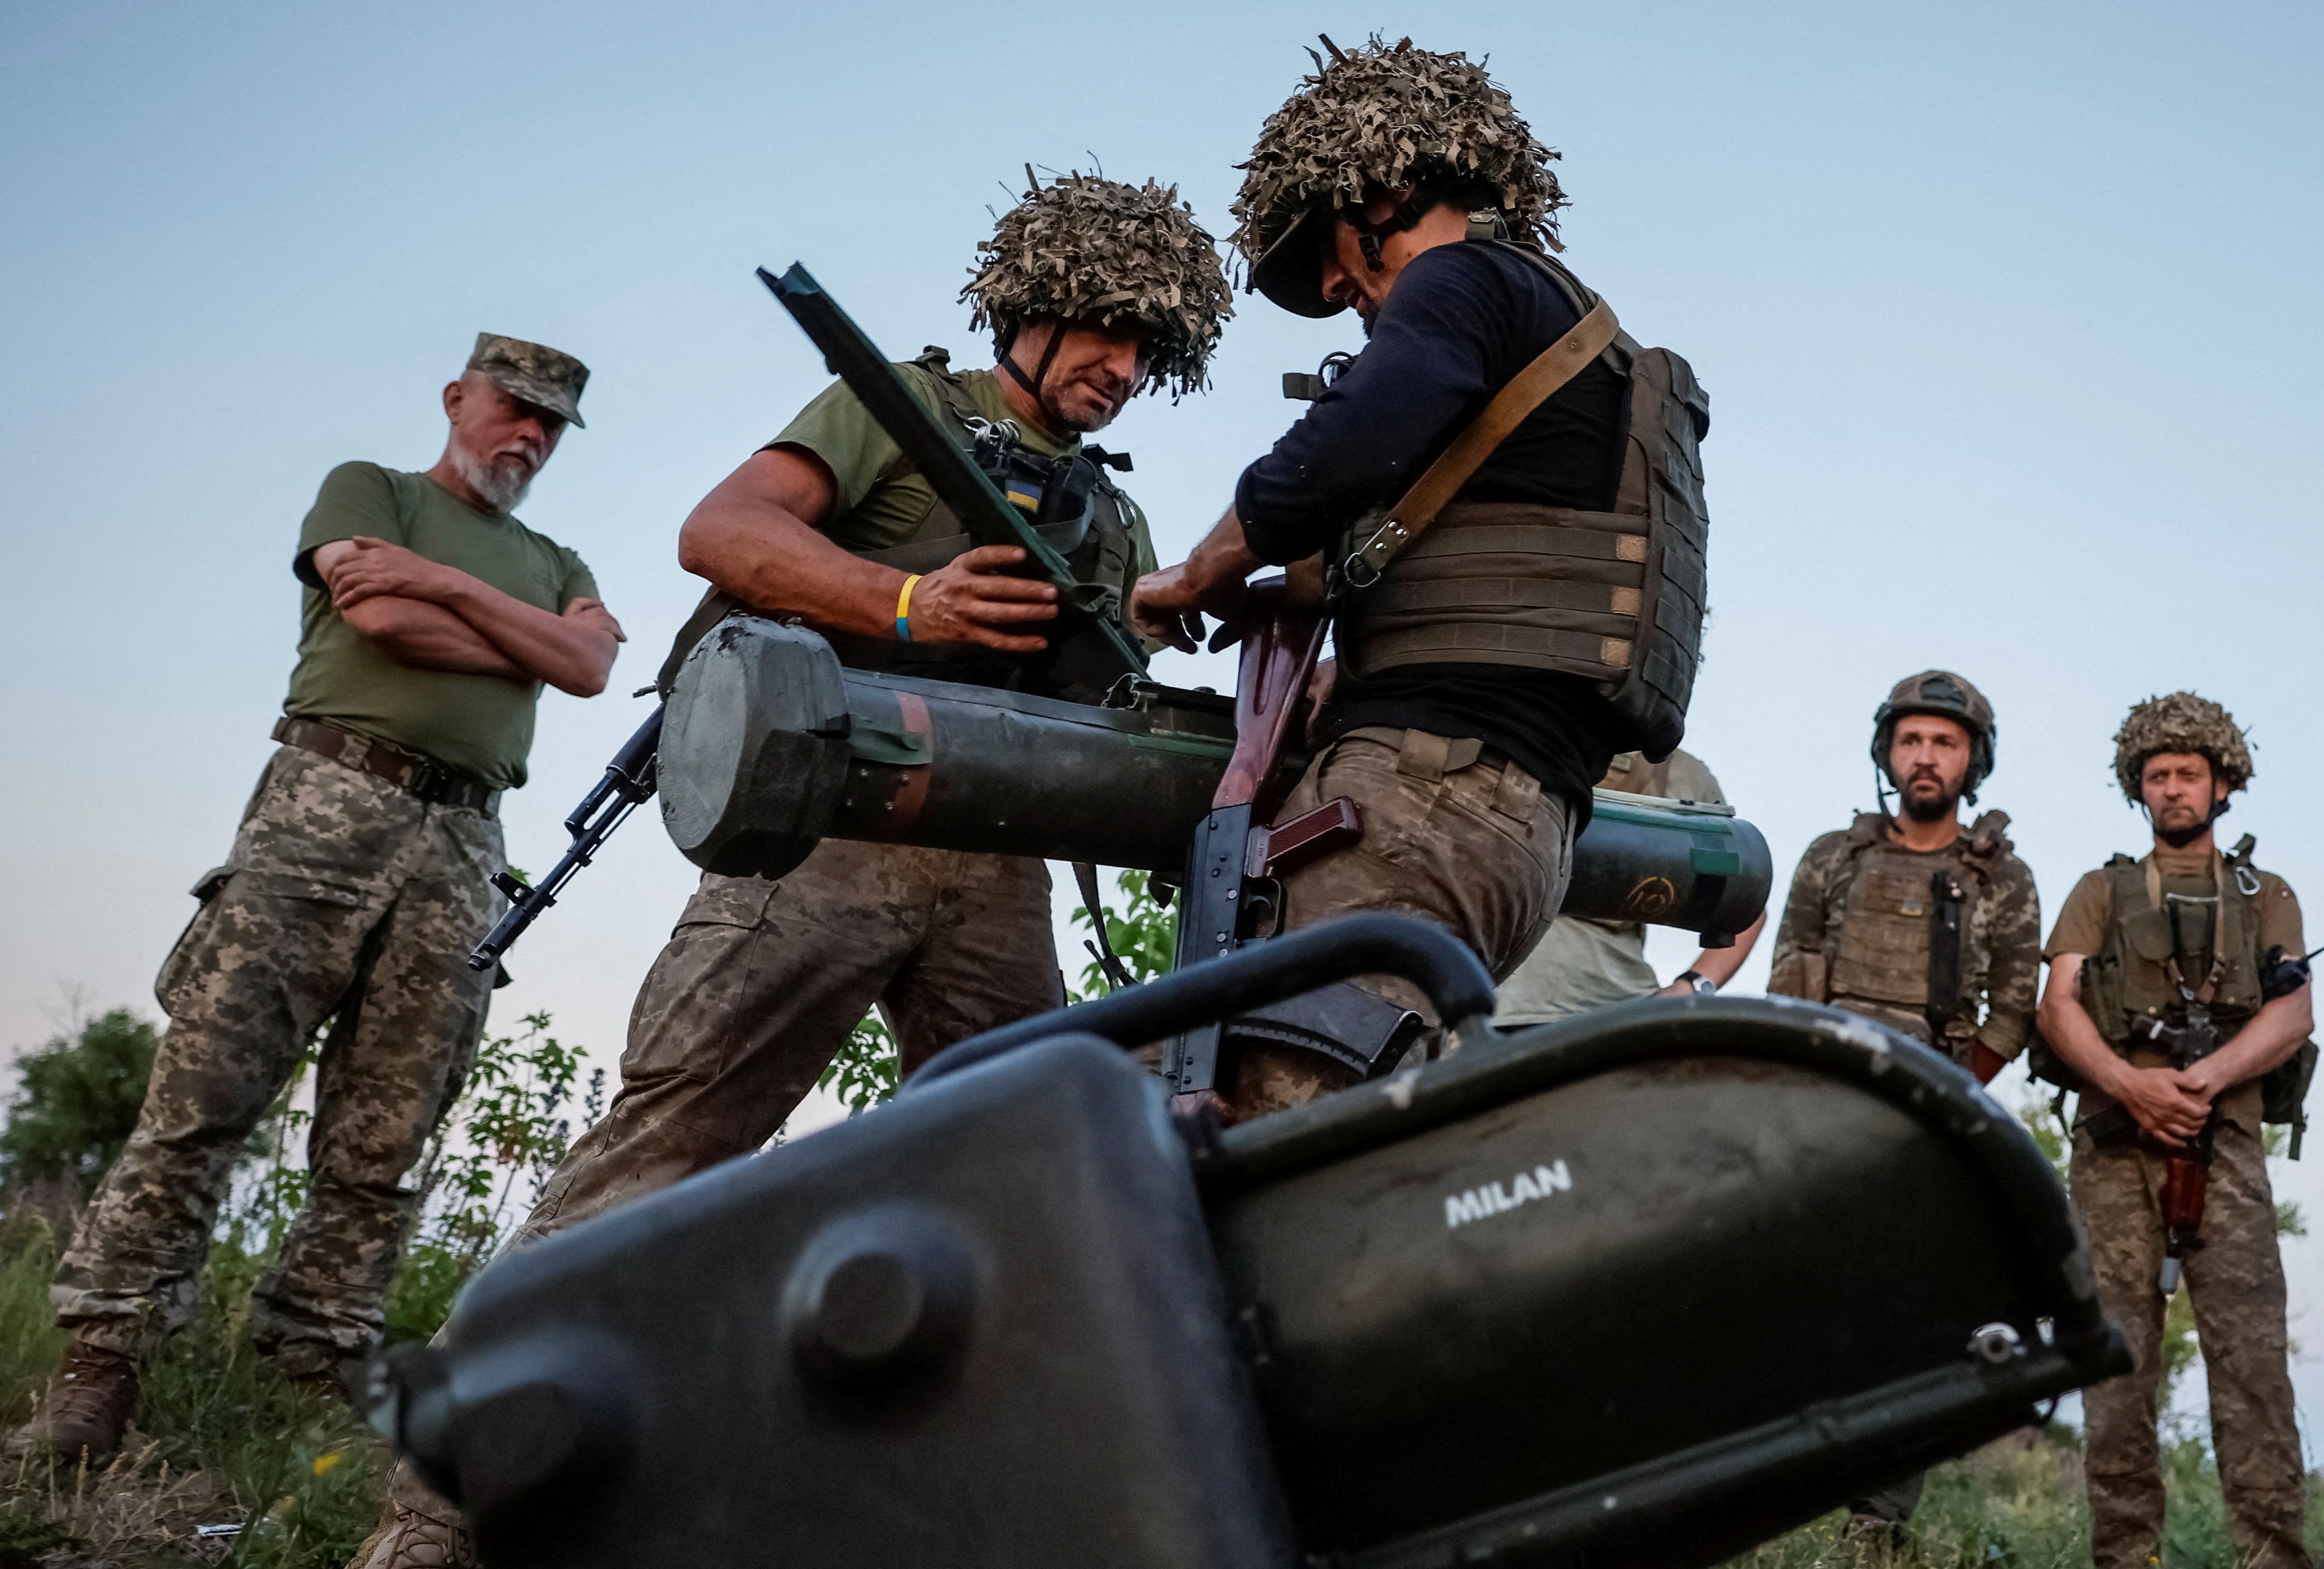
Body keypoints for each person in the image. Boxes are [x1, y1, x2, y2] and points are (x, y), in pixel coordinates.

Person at [348, 173, 1227, 1568]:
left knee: (1045, 1174)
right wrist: (903, 601)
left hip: (992, 874)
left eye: (1151, 354)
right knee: (663, 1162)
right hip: (824, 843)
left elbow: (1099, 686)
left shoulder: (1100, 515)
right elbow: (722, 533)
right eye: (1109, 333)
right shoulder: (899, 414)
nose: (1123, 370)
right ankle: (434, 1517)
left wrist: (1156, 616)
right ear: (1035, 308)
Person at [18, 336, 620, 1468]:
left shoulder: (557, 554)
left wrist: (441, 584)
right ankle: (104, 1360)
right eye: (513, 406)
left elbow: (586, 667)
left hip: (464, 842)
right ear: (458, 398)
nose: (528, 434)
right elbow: (376, 619)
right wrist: (522, 644)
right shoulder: (370, 491)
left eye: (550, 423)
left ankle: (316, 1355)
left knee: (386, 1132)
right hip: (326, 803)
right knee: (203, 1090)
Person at [1132, 35, 1713, 1119]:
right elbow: (1452, 529)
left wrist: (1203, 566)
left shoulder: (1462, 280)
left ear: (1387, 192)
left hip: (1424, 800)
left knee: (1272, 1126)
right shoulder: (1560, 336)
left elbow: (1358, 435)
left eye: (1338, 256)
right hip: (1507, 823)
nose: (1341, 289)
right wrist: (1309, 605)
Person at [2036, 693, 2312, 1569]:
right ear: (2137, 787)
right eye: (2155, 775)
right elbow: (2057, 1004)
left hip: (2223, 1148)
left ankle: (2270, 1553)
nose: (2171, 788)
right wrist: (2129, 1082)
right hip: (2115, 1150)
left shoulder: (2262, 893)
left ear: (2222, 780)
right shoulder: (2098, 890)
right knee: (2115, 1369)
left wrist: (2203, 1079)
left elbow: (2292, 1012)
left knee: (2252, 1367)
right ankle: (2124, 1556)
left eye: (2187, 772)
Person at [1768, 672, 2040, 1086]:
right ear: (1886, 751)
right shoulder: (1832, 856)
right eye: (1910, 741)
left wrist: (1946, 1095)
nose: (1925, 758)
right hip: (1815, 1080)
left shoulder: (2003, 878)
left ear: (1973, 759)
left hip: (1930, 1097)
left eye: (1944, 743)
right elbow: (1787, 981)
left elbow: (2011, 1017)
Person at [1491, 749, 1764, 1022]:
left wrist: (1693, 985)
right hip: (1479, 999)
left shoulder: (1676, 771)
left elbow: (1744, 902)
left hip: (1611, 1011)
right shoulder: (1511, 731)